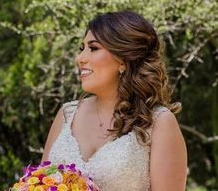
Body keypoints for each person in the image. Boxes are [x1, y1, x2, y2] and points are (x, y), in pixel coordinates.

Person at [41, 11, 187, 191]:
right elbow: (40, 182)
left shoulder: (159, 123)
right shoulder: (66, 115)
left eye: (93, 48)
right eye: (82, 49)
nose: (80, 58)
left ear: (123, 60)